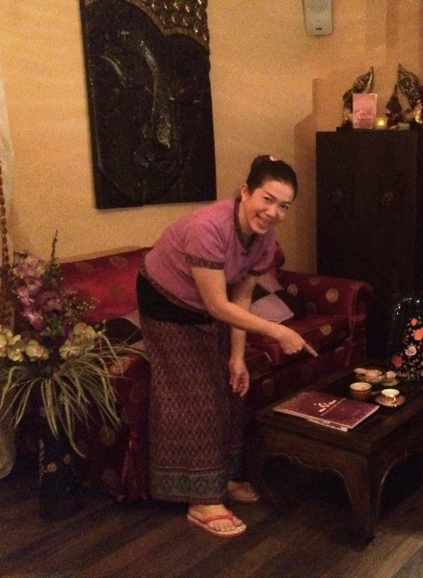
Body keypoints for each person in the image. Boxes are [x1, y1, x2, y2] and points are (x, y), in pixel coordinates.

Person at [136, 155, 317, 538]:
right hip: (165, 302)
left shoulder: (264, 238)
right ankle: (201, 499)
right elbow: (219, 306)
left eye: (284, 206)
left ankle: (224, 477)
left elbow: (241, 298)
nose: (273, 212)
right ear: (245, 191)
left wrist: (237, 357)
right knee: (197, 392)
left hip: (209, 304)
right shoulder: (208, 227)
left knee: (233, 384)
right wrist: (279, 332)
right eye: (267, 199)